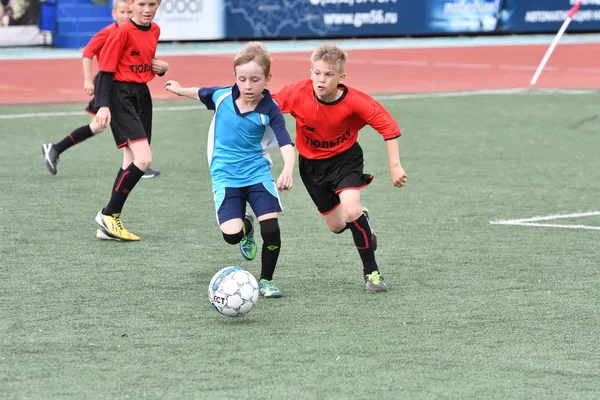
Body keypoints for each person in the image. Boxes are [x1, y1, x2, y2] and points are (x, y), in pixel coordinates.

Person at [272, 43, 407, 293]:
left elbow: (388, 127)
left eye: (329, 74)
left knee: (351, 210)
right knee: (336, 226)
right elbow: (264, 107)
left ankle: (372, 273)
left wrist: (395, 166)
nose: (321, 80)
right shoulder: (296, 93)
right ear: (310, 71)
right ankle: (362, 222)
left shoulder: (355, 101)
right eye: (316, 73)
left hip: (346, 161)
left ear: (341, 77)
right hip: (311, 166)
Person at [164, 42, 295, 298]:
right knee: (231, 236)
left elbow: (286, 143)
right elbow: (200, 92)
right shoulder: (222, 96)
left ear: (267, 79)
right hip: (226, 177)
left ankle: (266, 280)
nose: (248, 86)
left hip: (257, 174)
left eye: (255, 80)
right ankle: (246, 228)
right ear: (235, 78)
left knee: (271, 229)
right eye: (242, 79)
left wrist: (287, 169)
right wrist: (179, 90)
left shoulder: (271, 110)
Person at [41, 0, 160, 179]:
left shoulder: (137, 31)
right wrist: (88, 80)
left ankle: (56, 148)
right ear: (114, 14)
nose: (126, 16)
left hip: (122, 86)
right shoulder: (110, 33)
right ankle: (136, 163)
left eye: (129, 13)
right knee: (105, 125)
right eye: (122, 13)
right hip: (110, 86)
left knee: (99, 126)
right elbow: (88, 53)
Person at [93, 0, 169, 241]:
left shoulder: (155, 30)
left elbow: (145, 62)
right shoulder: (122, 31)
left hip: (141, 95)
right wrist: (103, 105)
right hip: (120, 95)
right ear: (131, 4)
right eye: (141, 4)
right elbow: (105, 71)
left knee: (130, 158)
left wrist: (162, 68)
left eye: (152, 4)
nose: (147, 9)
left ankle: (108, 223)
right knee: (144, 159)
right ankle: (109, 214)